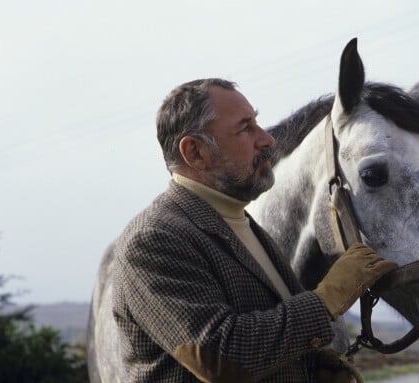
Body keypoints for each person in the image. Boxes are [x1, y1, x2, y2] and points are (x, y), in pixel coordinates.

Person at [112, 78, 397, 383]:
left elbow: (266, 350)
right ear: (194, 152)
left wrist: (310, 367)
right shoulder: (154, 239)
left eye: (256, 123)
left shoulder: (244, 226)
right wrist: (327, 298)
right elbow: (221, 358)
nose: (267, 140)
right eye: (245, 127)